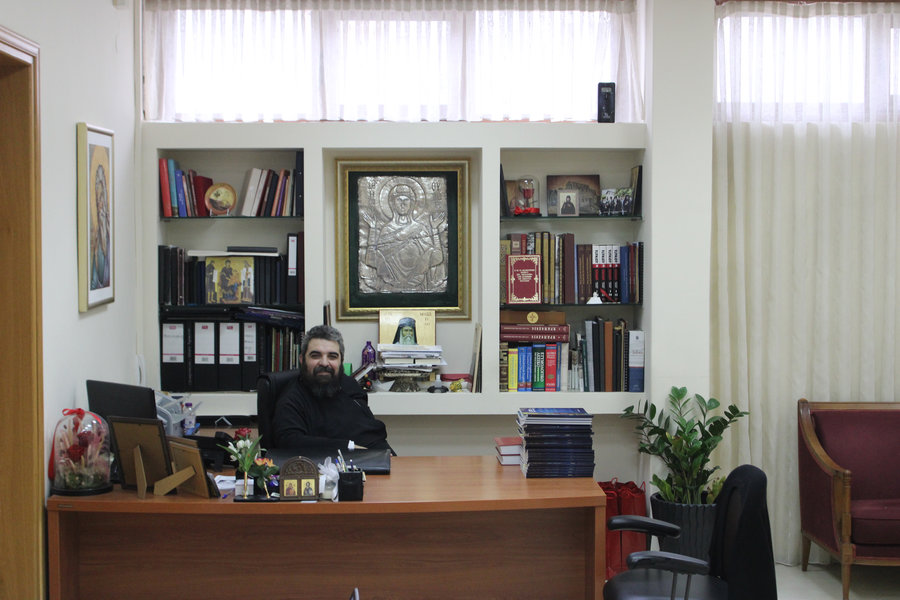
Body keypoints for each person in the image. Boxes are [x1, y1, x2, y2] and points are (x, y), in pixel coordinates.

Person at [273, 324, 392, 452]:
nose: (324, 363)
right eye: (315, 355)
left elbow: (369, 430)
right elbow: (290, 441)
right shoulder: (291, 399)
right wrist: (349, 447)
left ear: (341, 361)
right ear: (302, 359)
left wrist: (386, 457)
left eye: (332, 356)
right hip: (335, 462)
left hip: (378, 456)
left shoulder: (349, 384)